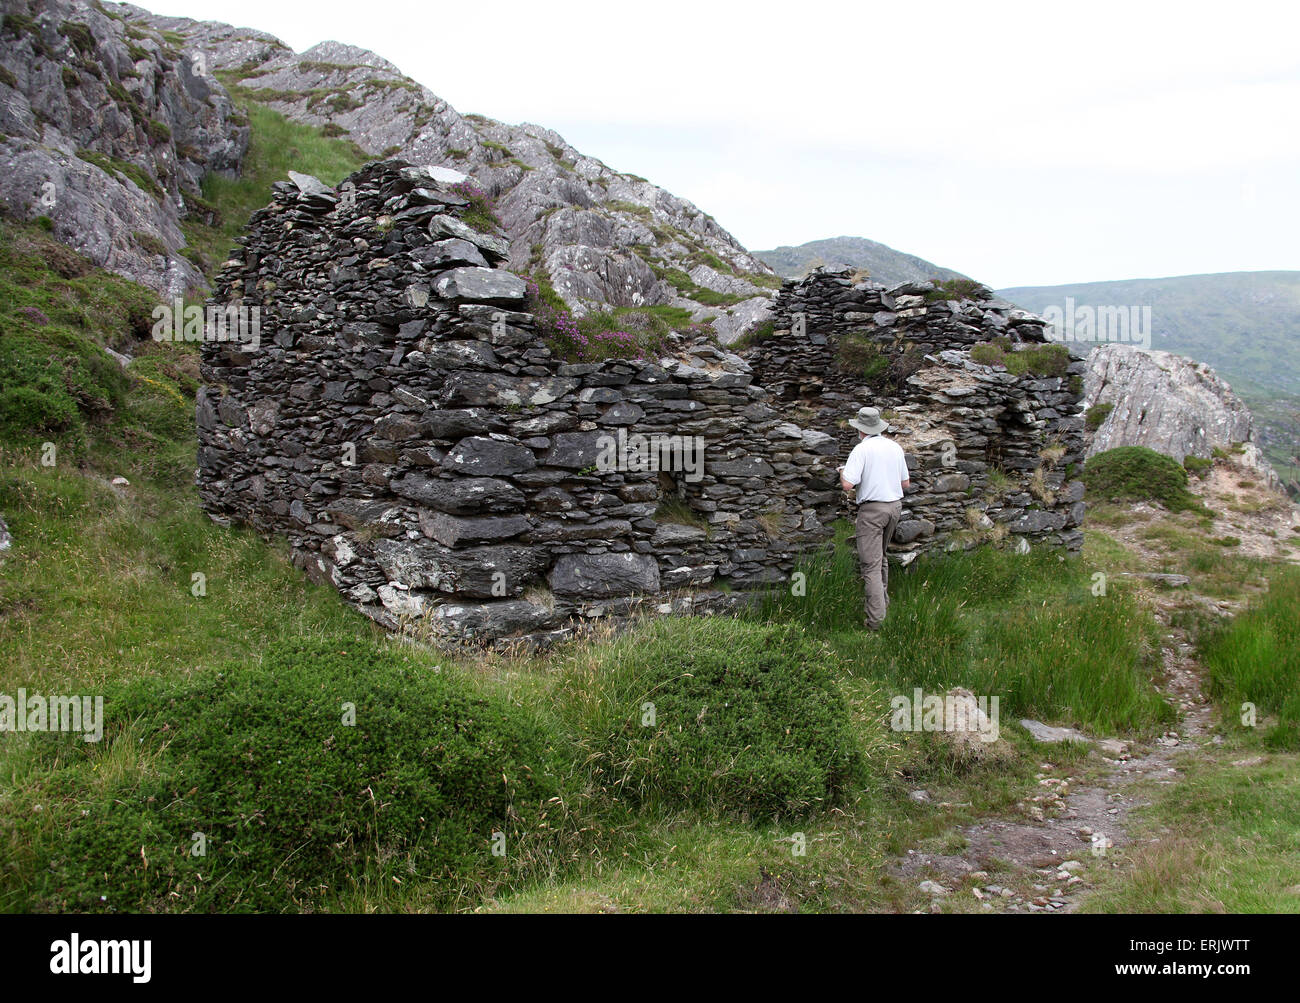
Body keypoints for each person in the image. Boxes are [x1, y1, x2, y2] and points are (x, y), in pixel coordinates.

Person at [839, 406, 910, 631]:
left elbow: (847, 484)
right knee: (882, 557)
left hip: (872, 511)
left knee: (870, 565)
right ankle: (884, 603)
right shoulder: (895, 447)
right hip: (894, 507)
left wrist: (842, 470)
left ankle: (876, 622)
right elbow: (905, 484)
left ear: (860, 430)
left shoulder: (862, 450)